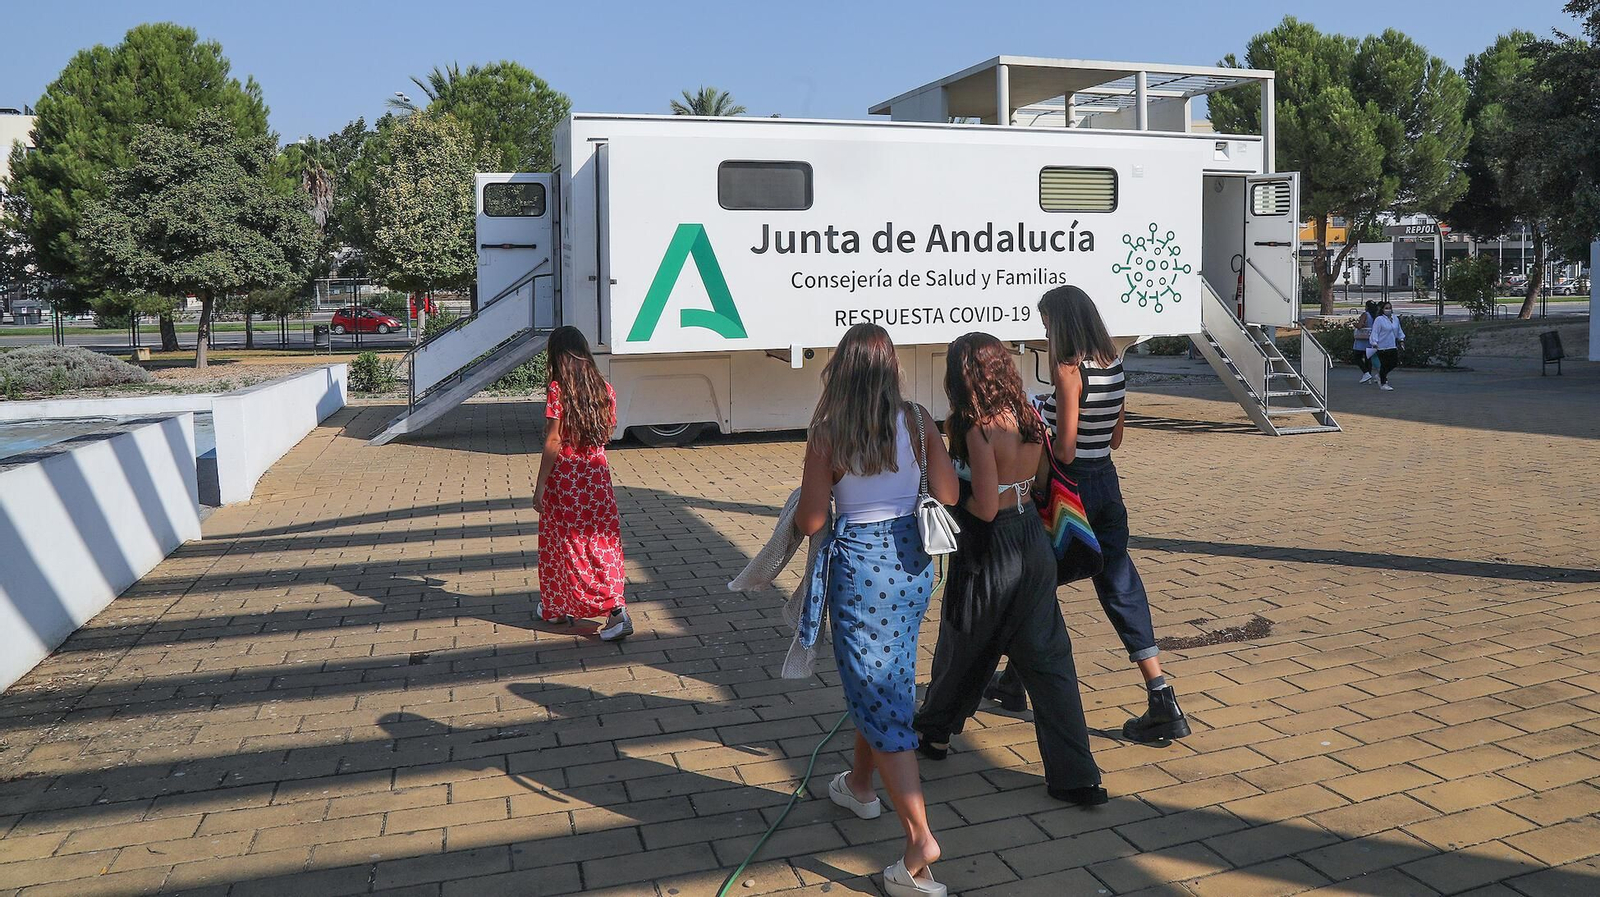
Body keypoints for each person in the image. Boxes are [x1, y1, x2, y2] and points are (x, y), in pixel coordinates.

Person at [987, 285, 1191, 743]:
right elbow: (1115, 437)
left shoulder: (1068, 369)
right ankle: (1160, 693)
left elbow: (1065, 447)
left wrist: (1040, 420)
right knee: (1119, 584)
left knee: (1035, 581)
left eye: (1046, 324)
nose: (1044, 332)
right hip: (1107, 486)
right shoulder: (1114, 363)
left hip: (1069, 491)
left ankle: (1015, 680)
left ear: (1061, 323)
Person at [797, 323, 958, 897]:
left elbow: (813, 520)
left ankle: (919, 841)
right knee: (884, 678)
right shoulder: (917, 421)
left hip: (861, 568)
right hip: (911, 566)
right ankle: (859, 785)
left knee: (881, 693)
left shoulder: (828, 431)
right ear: (891, 370)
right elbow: (950, 493)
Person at [913, 332, 1105, 806]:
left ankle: (935, 733)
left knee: (964, 642)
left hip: (991, 550)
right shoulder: (1030, 416)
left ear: (963, 375)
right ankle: (1077, 777)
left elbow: (982, 505)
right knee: (1050, 662)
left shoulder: (975, 425)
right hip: (1034, 545)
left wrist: (941, 506)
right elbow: (1039, 484)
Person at [534, 326, 631, 641]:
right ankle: (557, 606)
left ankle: (615, 611)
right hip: (597, 476)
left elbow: (553, 440)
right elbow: (607, 432)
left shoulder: (558, 390)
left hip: (567, 479)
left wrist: (539, 486)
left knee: (567, 543)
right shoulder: (605, 388)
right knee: (601, 542)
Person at [1369, 301, 1406, 391]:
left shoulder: (1395, 319)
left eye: (1389, 308)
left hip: (1392, 345)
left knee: (1393, 363)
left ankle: (1380, 375)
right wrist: (1374, 343)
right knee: (1384, 364)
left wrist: (1401, 340)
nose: (1388, 310)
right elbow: (1375, 332)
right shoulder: (1379, 319)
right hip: (1381, 346)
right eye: (1386, 308)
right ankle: (1383, 383)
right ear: (1382, 309)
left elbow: (1398, 330)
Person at [1352, 300, 1379, 383]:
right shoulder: (1376, 316)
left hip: (1362, 340)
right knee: (1368, 359)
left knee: (1357, 357)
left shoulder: (1365, 314)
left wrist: (1355, 324)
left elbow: (1360, 326)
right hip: (1371, 340)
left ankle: (1366, 373)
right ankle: (1369, 377)